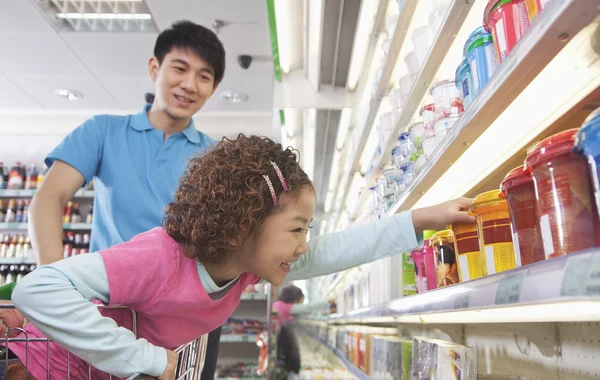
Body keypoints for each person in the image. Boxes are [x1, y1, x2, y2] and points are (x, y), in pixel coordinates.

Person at [4, 135, 473, 380]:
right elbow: (36, 289)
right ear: (246, 224)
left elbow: (334, 251)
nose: (305, 244)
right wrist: (147, 359)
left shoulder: (246, 272)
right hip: (40, 369)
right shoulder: (160, 258)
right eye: (296, 229)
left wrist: (418, 220)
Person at [27, 20, 225, 379]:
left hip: (186, 320)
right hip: (111, 309)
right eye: (179, 68)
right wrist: (54, 281)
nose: (189, 85)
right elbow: (48, 198)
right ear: (154, 68)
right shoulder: (102, 132)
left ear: (213, 89)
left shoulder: (216, 158)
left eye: (204, 76)